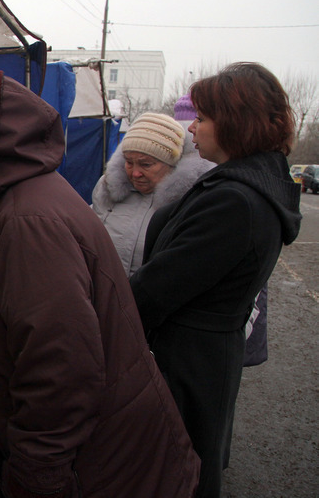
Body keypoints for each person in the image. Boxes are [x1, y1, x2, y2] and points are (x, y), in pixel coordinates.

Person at [0, 65, 200, 498]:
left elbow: (60, 377)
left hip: (102, 475)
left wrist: (33, 482)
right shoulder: (24, 198)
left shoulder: (26, 223)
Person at [129, 62, 302, 498]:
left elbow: (159, 287)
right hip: (202, 355)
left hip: (188, 362)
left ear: (234, 122)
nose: (192, 131)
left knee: (176, 472)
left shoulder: (235, 200)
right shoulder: (247, 186)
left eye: (203, 120)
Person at [92, 111, 214, 276]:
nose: (135, 173)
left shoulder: (192, 201)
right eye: (129, 162)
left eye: (146, 164)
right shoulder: (107, 188)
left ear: (172, 164)